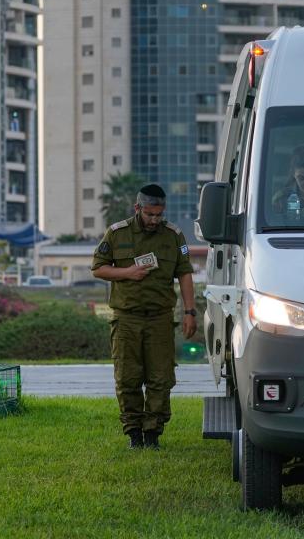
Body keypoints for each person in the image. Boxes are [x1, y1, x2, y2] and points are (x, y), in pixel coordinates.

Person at [91, 184, 197, 450]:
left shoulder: (173, 235)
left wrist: (189, 311)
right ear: (138, 208)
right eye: (150, 214)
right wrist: (128, 272)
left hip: (160, 318)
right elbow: (98, 269)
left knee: (160, 378)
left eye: (159, 214)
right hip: (126, 318)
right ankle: (133, 434)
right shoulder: (117, 233)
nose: (154, 220)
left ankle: (153, 434)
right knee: (127, 377)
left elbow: (184, 273)